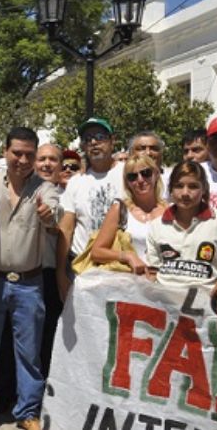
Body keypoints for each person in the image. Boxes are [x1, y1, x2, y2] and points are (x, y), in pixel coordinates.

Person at [0, 127, 58, 430]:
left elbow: (54, 213)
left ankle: (28, 413)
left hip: (29, 283)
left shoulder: (45, 188)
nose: (22, 160)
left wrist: (49, 216)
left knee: (29, 353)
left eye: (28, 155)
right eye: (16, 153)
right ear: (5, 152)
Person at [145, 161, 217, 288]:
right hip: (165, 301)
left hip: (207, 300)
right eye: (179, 186)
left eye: (193, 186)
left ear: (204, 188)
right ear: (170, 189)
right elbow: (153, 271)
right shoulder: (157, 225)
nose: (185, 193)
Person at [57, 117, 123, 299]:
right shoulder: (76, 182)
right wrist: (61, 273)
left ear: (112, 141)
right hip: (82, 268)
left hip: (119, 268)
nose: (93, 142)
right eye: (87, 139)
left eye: (100, 137)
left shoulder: (129, 174)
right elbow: (66, 229)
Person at [90, 154, 167, 275]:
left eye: (146, 173)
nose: (140, 180)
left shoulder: (172, 210)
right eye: (132, 177)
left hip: (165, 283)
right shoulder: (120, 210)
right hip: (130, 284)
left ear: (156, 174)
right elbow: (96, 251)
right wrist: (127, 256)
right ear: (127, 183)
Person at [33, 144, 64, 378]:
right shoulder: (26, 190)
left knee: (49, 334)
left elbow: (53, 221)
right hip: (28, 273)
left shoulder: (67, 196)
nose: (46, 164)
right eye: (42, 158)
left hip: (52, 273)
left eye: (52, 159)